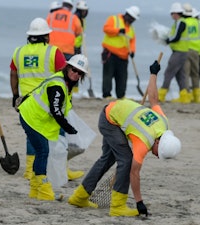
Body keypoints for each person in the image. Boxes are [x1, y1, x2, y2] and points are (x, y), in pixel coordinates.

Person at [68, 60, 181, 217]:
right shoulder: (144, 142)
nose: (156, 155)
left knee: (107, 159)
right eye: (157, 152)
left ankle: (79, 197)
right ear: (157, 141)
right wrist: (139, 202)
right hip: (109, 120)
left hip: (119, 114)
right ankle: (118, 206)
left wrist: (153, 74)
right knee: (126, 161)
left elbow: (153, 99)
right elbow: (134, 173)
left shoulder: (163, 122)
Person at [18, 54, 88, 201]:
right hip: (31, 117)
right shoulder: (58, 85)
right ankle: (43, 190)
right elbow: (56, 110)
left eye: (80, 73)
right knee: (43, 151)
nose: (75, 74)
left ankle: (35, 189)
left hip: (37, 119)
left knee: (42, 151)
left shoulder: (66, 84)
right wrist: (68, 128)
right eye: (74, 70)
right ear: (68, 67)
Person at [9, 17, 66, 180]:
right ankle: (58, 168)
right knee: (58, 133)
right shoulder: (53, 52)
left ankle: (29, 170)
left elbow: (13, 74)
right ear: (46, 36)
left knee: (32, 135)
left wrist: (15, 95)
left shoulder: (19, 52)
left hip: (27, 102)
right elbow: (64, 76)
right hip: (47, 101)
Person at [101, 6, 140, 99]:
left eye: (133, 19)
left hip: (123, 56)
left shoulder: (131, 28)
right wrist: (118, 31)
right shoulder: (114, 19)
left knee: (122, 77)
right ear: (127, 14)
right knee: (108, 75)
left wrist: (133, 51)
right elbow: (106, 29)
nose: (131, 20)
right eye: (131, 18)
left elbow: (132, 41)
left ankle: (121, 96)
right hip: (110, 53)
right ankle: (107, 95)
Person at [158, 2, 190, 103]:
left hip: (179, 52)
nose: (171, 15)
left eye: (172, 13)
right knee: (180, 74)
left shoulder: (181, 22)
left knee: (169, 72)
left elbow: (176, 37)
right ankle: (184, 97)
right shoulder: (180, 22)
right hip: (182, 51)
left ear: (176, 13)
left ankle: (161, 95)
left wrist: (167, 40)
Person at [182, 3, 200, 103]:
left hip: (185, 50)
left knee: (186, 74)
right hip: (196, 51)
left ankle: (187, 97)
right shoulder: (197, 22)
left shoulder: (183, 22)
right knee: (195, 74)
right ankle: (197, 97)